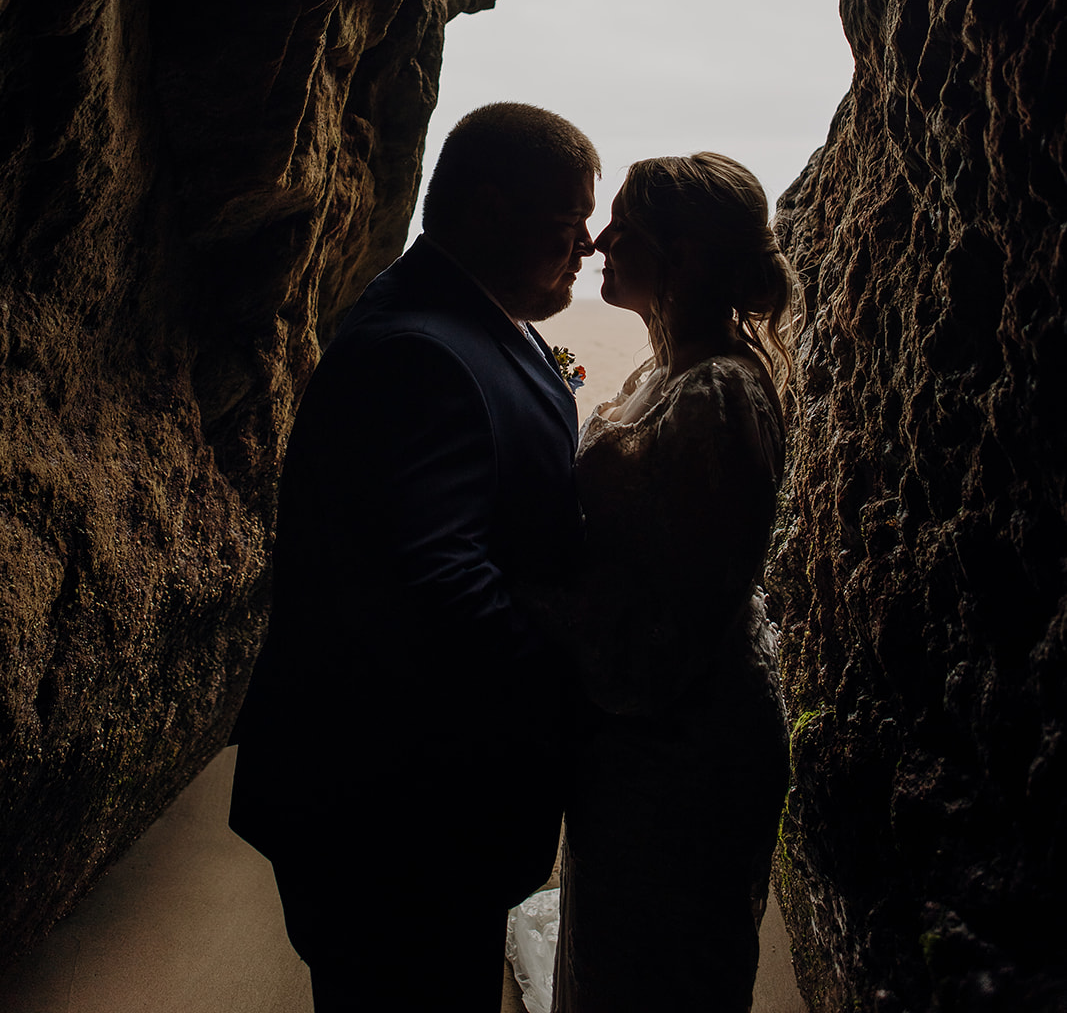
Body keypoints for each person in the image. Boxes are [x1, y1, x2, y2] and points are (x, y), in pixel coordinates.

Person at [229, 102, 600, 1012]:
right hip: (392, 812)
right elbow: (435, 586)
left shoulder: (470, 316)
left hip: (421, 801)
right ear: (484, 212)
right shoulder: (413, 355)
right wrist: (580, 669)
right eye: (565, 226)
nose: (585, 247)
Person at [534, 151, 797, 1013]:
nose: (600, 239)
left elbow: (680, 612)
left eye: (625, 227)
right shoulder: (664, 375)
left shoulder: (717, 395)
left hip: (680, 744)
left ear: (681, 258)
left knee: (656, 967)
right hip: (644, 736)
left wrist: (536, 605)